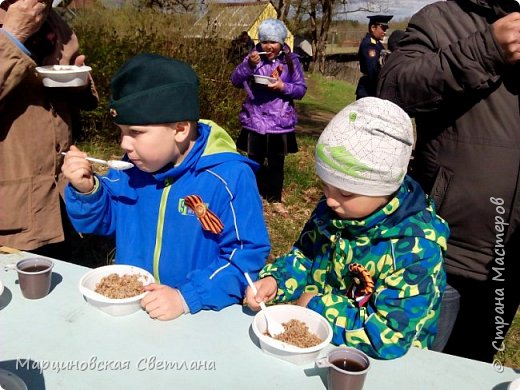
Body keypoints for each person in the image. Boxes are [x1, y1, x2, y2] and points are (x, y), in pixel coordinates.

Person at [62, 53, 271, 321]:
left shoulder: (228, 177)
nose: (124, 144)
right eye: (121, 131)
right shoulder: (131, 169)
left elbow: (245, 256)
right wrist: (87, 190)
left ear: (181, 129)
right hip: (132, 306)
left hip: (198, 314)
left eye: (135, 133)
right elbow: (100, 224)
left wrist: (186, 297)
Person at [245, 97, 450, 360]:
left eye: (344, 192)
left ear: (383, 189)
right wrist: (277, 281)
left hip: (383, 370)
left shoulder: (415, 249)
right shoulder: (332, 210)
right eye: (325, 186)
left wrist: (316, 306)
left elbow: (390, 337)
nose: (329, 199)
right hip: (323, 349)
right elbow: (307, 255)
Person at [377, 0, 520, 362]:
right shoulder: (443, 18)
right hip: (441, 251)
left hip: (509, 263)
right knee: (416, 371)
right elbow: (392, 88)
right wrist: (488, 48)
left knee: (473, 374)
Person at [0, 0, 98, 259]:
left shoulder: (51, 18)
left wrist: (78, 82)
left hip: (61, 204)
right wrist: (12, 36)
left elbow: (73, 95)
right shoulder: (16, 20)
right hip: (10, 214)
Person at [231, 18, 307, 213]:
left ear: (281, 43)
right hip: (254, 119)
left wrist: (283, 86)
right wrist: (248, 65)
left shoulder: (292, 61)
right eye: (265, 41)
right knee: (253, 161)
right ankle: (250, 196)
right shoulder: (253, 57)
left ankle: (275, 199)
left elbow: (300, 90)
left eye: (273, 42)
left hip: (280, 122)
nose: (269, 46)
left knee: (276, 163)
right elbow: (236, 81)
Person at [355, 15, 392, 100]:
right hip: (368, 90)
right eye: (383, 28)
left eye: (386, 29)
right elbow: (373, 70)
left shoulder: (377, 44)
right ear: (373, 28)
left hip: (372, 90)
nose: (385, 32)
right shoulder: (369, 45)